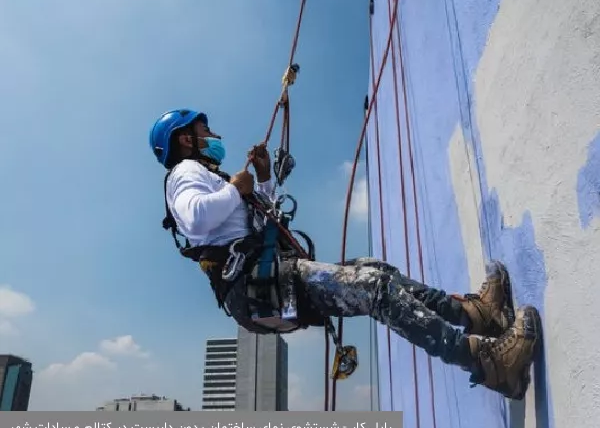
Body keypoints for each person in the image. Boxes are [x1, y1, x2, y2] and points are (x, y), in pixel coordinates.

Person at [149, 108, 542, 401]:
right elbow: (196, 219)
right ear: (185, 138)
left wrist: (263, 179)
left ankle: (476, 315)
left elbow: (257, 218)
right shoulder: (184, 174)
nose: (212, 133)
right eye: (204, 129)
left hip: (270, 278)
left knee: (375, 272)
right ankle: (490, 365)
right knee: (373, 289)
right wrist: (236, 187)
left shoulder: (211, 176)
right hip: (256, 285)